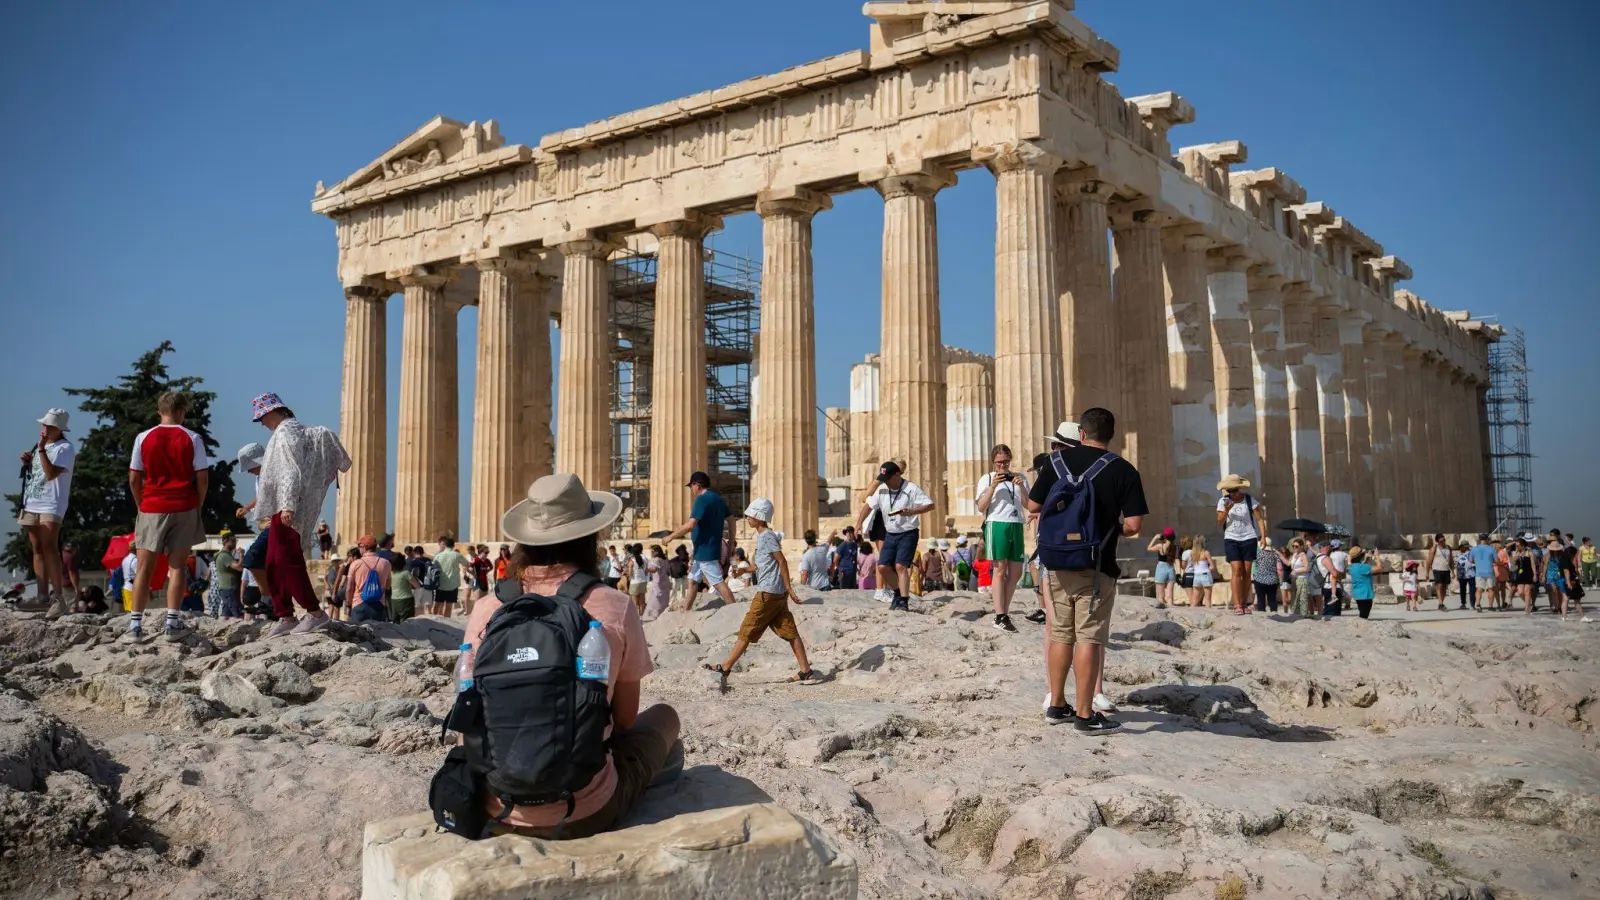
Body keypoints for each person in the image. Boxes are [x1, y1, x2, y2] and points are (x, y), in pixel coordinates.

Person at [463, 472, 679, 839]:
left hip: (497, 804)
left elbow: (468, 709)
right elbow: (625, 720)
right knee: (664, 717)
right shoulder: (614, 605)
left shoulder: (487, 608)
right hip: (584, 810)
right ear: (589, 536)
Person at [1026, 408, 1146, 734]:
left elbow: (1033, 506)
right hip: (1097, 564)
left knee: (1061, 633)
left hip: (1055, 561)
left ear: (1081, 433)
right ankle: (1084, 714)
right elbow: (1134, 525)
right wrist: (1112, 528)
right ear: (1111, 434)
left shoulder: (1055, 463)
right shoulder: (1123, 469)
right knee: (1089, 637)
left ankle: (1056, 704)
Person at [250, 393, 351, 637]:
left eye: (261, 418)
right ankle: (285, 614)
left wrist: (287, 505)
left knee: (287, 560)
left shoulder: (286, 432)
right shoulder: (286, 432)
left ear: (270, 412)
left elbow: (290, 470)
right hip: (284, 507)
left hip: (290, 507)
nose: (261, 423)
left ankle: (315, 613)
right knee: (273, 561)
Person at [122, 392, 210, 644]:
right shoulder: (192, 438)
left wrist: (141, 505)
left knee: (144, 569)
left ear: (159, 411)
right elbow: (202, 478)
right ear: (182, 411)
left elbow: (134, 477)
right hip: (184, 505)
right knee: (177, 566)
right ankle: (172, 622)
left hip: (151, 505)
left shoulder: (143, 437)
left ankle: (135, 626)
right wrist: (198, 505)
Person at [701, 498, 818, 685]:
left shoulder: (767, 536)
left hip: (768, 592)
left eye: (750, 515)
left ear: (759, 517)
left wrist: (789, 587)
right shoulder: (764, 536)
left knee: (747, 628)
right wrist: (744, 570)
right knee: (789, 631)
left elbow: (781, 561)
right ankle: (806, 671)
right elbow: (763, 565)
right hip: (776, 593)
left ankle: (725, 668)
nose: (747, 518)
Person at [17, 408, 76, 618]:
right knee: (37, 548)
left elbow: (51, 474)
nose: (45, 429)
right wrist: (29, 459)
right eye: (44, 425)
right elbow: (39, 472)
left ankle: (58, 597)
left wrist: (40, 450)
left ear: (58, 428)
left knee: (50, 547)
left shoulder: (65, 448)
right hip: (32, 501)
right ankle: (42, 597)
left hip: (51, 504)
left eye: (49, 426)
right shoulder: (41, 446)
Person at [854, 461, 935, 611]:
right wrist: (859, 524)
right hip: (890, 532)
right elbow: (868, 506)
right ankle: (898, 593)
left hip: (908, 532)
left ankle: (904, 600)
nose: (885, 483)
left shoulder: (911, 488)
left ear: (897, 475)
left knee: (900, 566)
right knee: (883, 566)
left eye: (888, 479)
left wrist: (913, 511)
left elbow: (930, 505)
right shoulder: (882, 489)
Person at [661, 471, 739, 613]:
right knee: (692, 581)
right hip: (703, 551)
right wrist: (732, 541)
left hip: (705, 550)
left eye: (691, 486)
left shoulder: (702, 499)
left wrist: (670, 537)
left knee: (718, 583)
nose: (691, 489)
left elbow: (691, 525)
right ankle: (686, 612)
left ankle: (734, 611)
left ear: (697, 485)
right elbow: (732, 520)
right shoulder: (718, 499)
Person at [974, 443, 1030, 631]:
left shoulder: (1020, 477)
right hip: (996, 523)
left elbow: (1029, 505)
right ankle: (999, 615)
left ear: (1010, 460)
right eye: (998, 462)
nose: (1002, 466)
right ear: (993, 462)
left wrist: (1021, 487)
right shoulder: (986, 478)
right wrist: (992, 487)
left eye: (1005, 462)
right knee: (999, 569)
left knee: (1016, 572)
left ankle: (1004, 611)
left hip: (1016, 523)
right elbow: (981, 506)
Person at [1215, 473, 1267, 615]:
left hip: (1249, 537)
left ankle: (1244, 603)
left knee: (1247, 570)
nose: (1232, 493)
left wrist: (1263, 536)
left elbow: (1260, 519)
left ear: (1239, 488)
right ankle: (1237, 604)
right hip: (1231, 537)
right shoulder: (1223, 501)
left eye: (1234, 490)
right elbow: (1219, 522)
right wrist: (1226, 510)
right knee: (1237, 569)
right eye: (1229, 491)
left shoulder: (1250, 500)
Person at [344, 535, 393, 623]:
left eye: (359, 546)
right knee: (378, 635)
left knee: (358, 634)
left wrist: (348, 605)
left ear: (364, 547)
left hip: (359, 604)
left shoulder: (356, 564)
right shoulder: (386, 563)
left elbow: (349, 588)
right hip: (379, 604)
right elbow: (388, 586)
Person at [430, 535, 467, 617]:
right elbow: (466, 564)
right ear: (454, 545)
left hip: (441, 584)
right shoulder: (457, 555)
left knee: (437, 604)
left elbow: (433, 567)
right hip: (453, 585)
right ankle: (446, 623)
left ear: (445, 545)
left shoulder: (438, 556)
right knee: (449, 607)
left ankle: (433, 620)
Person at [1345, 546, 1384, 619]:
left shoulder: (1351, 567)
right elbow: (1379, 568)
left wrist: (1366, 559)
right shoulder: (1364, 567)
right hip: (1366, 595)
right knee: (1363, 617)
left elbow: (1357, 566)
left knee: (1362, 614)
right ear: (1361, 556)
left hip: (1357, 594)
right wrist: (1377, 557)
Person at [214, 534, 243, 619]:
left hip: (226, 588)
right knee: (238, 613)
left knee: (226, 614)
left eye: (235, 541)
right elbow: (238, 567)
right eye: (232, 541)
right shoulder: (224, 556)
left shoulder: (225, 555)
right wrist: (241, 555)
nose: (235, 543)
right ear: (225, 542)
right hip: (229, 588)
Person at [1148, 528, 1179, 608]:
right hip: (1171, 569)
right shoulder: (1175, 547)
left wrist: (1155, 538)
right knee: (1169, 597)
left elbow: (1149, 548)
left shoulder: (1160, 546)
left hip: (1161, 569)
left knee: (1160, 596)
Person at [1424, 533, 1453, 612]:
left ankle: (1441, 602)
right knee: (1439, 585)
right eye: (1441, 541)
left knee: (1444, 587)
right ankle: (1440, 603)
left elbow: (1451, 560)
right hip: (1437, 569)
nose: (1443, 542)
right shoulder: (1434, 548)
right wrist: (1427, 573)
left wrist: (1453, 571)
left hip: (1446, 569)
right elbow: (1429, 561)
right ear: (1437, 541)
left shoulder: (1449, 548)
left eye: (1444, 540)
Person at [1252, 537, 1281, 613]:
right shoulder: (1275, 554)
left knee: (1260, 599)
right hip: (1272, 580)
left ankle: (1262, 615)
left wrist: (1254, 575)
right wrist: (1280, 580)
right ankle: (1274, 614)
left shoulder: (1257, 553)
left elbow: (1254, 565)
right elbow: (1279, 569)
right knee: (1272, 599)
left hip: (1259, 579)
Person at [1469, 534, 1497, 614]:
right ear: (1487, 540)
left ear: (1479, 540)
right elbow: (1496, 560)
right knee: (1491, 589)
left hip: (1479, 572)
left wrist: (1477, 562)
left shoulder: (1474, 549)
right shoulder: (1491, 549)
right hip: (1489, 571)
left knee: (1479, 589)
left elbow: (1470, 560)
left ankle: (1478, 604)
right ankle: (1490, 606)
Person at [1185, 537, 1214, 608]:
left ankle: (1191, 613)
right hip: (1205, 575)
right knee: (1207, 599)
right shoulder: (1206, 553)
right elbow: (1212, 566)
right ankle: (1209, 614)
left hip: (1196, 576)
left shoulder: (1192, 554)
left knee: (1194, 599)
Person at [643, 545, 671, 620]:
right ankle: (662, 614)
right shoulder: (665, 559)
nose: (651, 553)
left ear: (657, 552)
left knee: (656, 599)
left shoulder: (656, 560)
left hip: (658, 582)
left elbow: (654, 569)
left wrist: (646, 569)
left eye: (652, 551)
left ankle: (655, 615)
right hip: (665, 581)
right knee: (664, 598)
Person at [388, 551, 416, 624]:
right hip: (406, 600)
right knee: (407, 622)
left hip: (394, 600)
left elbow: (387, 586)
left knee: (395, 622)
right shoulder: (406, 573)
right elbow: (417, 585)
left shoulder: (390, 574)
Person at [622, 543, 649, 615]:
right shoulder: (644, 560)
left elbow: (630, 575)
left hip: (634, 583)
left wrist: (627, 574)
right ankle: (641, 618)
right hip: (643, 582)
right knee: (641, 603)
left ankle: (636, 619)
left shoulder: (631, 561)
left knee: (634, 604)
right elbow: (646, 572)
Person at [1288, 539, 1313, 617]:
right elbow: (1288, 563)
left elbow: (1306, 568)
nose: (1294, 548)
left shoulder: (1303, 555)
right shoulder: (1294, 554)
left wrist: (1296, 571)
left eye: (1296, 546)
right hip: (1295, 579)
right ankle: (1296, 614)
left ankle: (1303, 615)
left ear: (1301, 546)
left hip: (1302, 578)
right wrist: (1280, 555)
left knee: (1302, 598)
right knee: (1295, 598)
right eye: (1293, 546)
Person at [469, 545, 494, 615]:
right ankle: (474, 617)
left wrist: (486, 571)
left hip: (484, 582)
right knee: (477, 603)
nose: (487, 554)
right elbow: (467, 566)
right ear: (481, 552)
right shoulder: (476, 560)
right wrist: (473, 574)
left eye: (488, 552)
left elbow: (491, 567)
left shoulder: (487, 561)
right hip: (477, 582)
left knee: (483, 602)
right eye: (486, 552)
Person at [1454, 541, 1477, 610]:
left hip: (1471, 574)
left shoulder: (1471, 553)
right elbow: (1456, 565)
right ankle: (1463, 603)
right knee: (1462, 590)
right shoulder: (1457, 555)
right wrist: (1456, 575)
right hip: (1462, 575)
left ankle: (1473, 604)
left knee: (1472, 590)